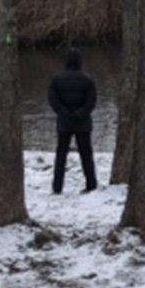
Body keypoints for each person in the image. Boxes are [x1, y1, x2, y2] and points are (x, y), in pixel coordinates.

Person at [47, 48, 98, 194]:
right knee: (86, 154)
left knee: (61, 155)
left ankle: (57, 187)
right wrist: (80, 113)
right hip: (83, 123)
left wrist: (64, 113)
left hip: (64, 123)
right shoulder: (88, 79)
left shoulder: (57, 79)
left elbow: (53, 99)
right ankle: (91, 183)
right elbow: (92, 101)